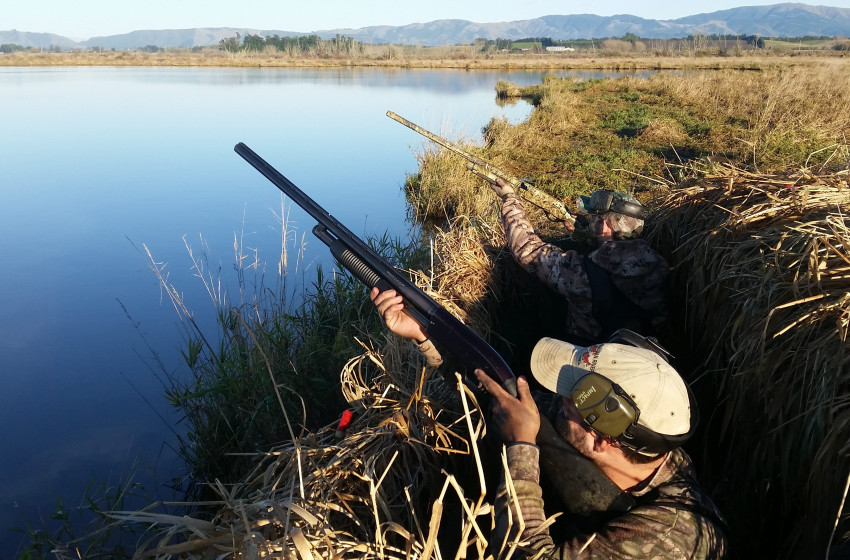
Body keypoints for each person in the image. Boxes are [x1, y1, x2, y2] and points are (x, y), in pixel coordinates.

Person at [474, 336, 728, 560]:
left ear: (599, 441)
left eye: (567, 404)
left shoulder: (670, 540)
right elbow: (538, 411)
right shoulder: (650, 446)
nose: (558, 402)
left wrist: (521, 447)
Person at [489, 178, 669, 344]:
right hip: (646, 352)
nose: (591, 220)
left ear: (605, 225)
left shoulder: (579, 272)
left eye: (594, 218)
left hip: (593, 358)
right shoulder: (657, 261)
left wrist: (509, 199)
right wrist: (585, 232)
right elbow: (614, 251)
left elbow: (527, 249)